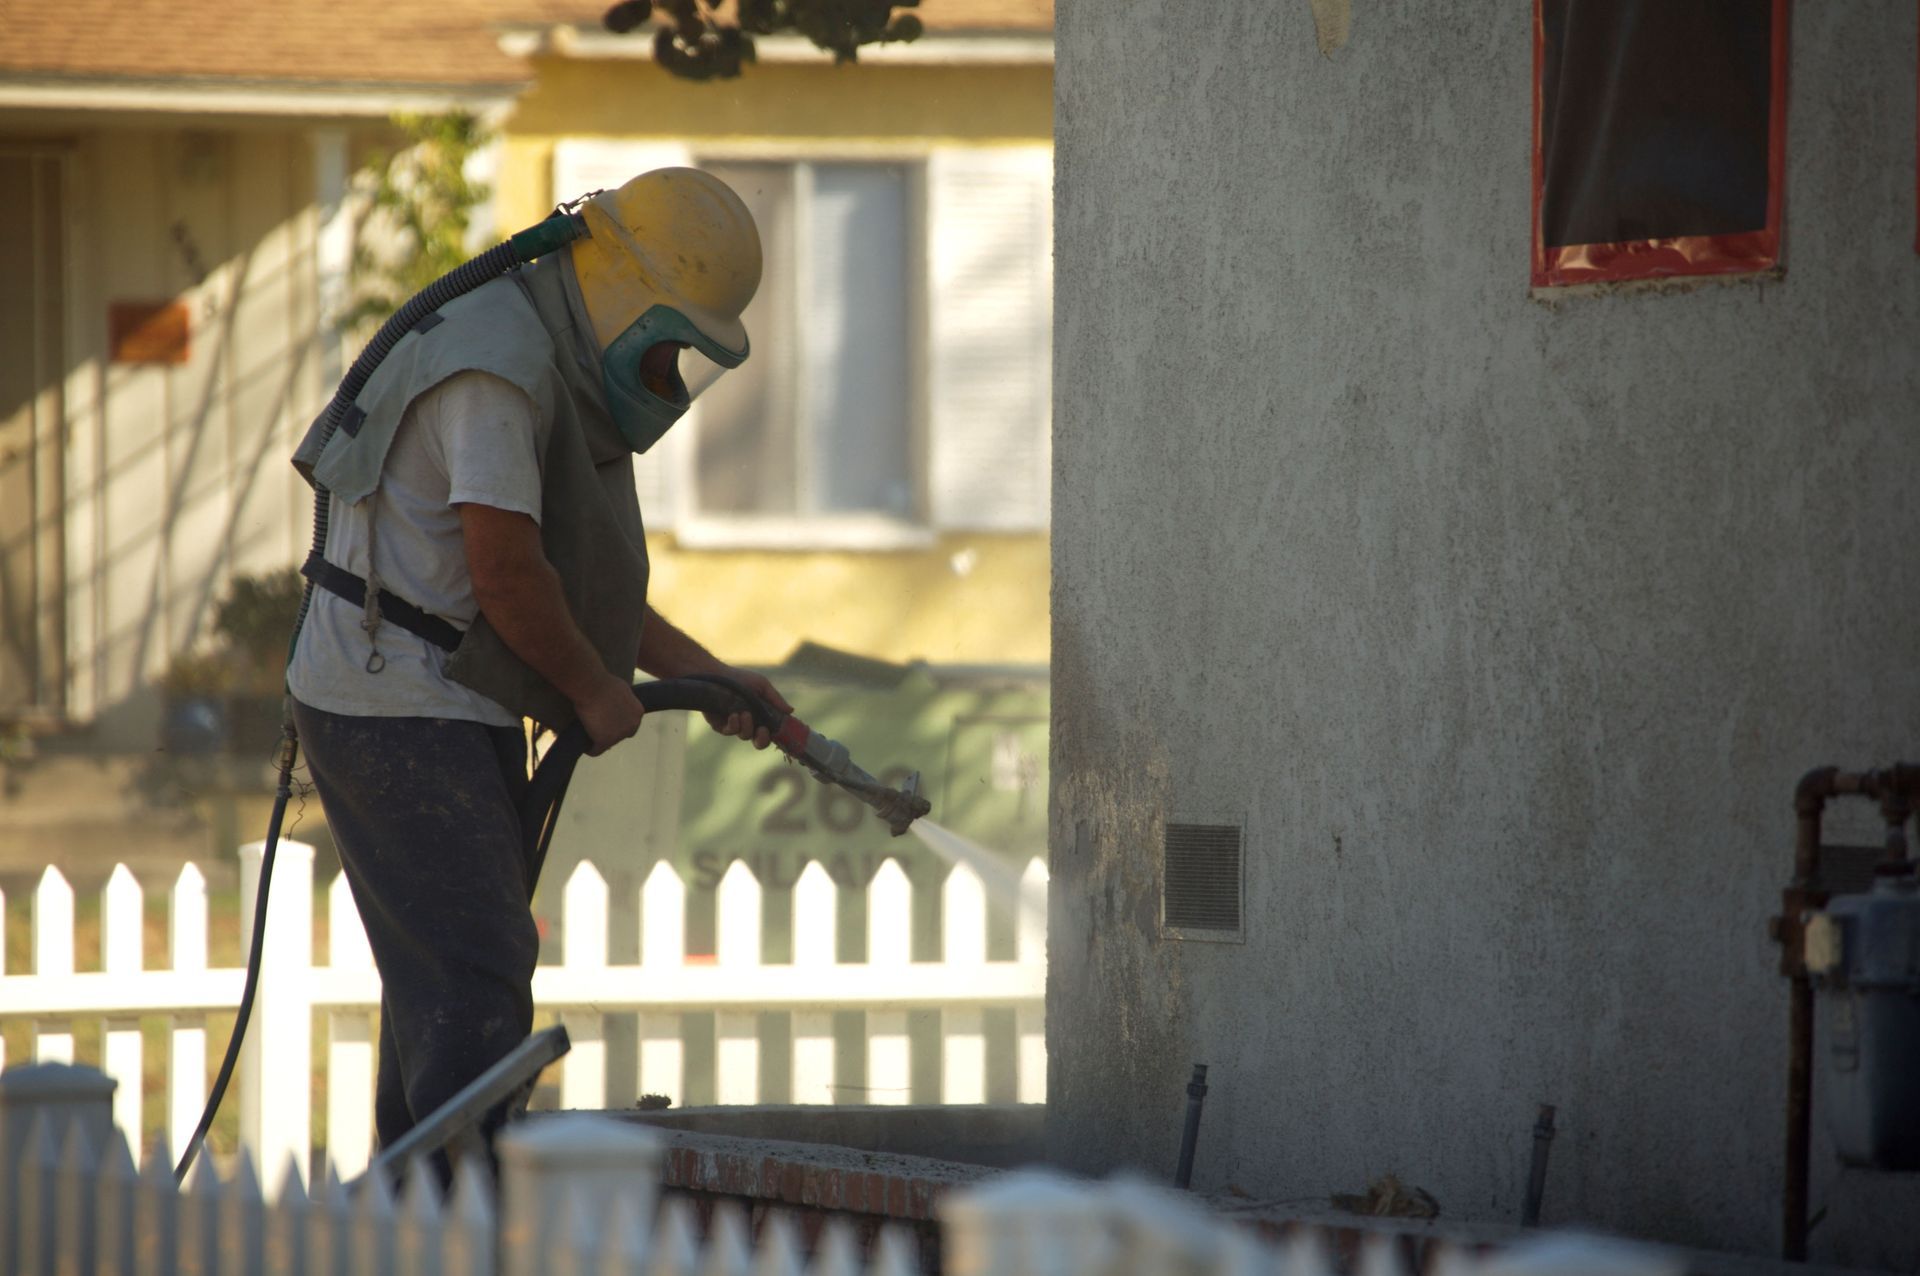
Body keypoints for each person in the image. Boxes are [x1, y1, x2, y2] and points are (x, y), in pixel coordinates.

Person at [286, 168, 789, 1154]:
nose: (669, 368)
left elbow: (570, 586)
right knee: (477, 970)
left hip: (434, 692)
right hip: (392, 700)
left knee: (449, 979)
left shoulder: (533, 350)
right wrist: (596, 693)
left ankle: (417, 1213)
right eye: (673, 338)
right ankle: (452, 1222)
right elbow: (509, 577)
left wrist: (710, 673)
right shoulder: (497, 367)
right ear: (628, 295)